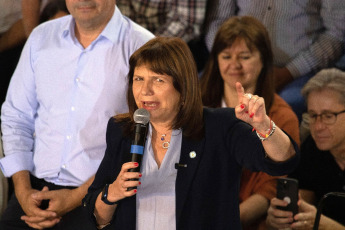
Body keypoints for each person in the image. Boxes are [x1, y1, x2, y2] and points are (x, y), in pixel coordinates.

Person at [82, 36, 300, 230]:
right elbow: (95, 216)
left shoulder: (218, 128)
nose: (144, 90)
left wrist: (264, 126)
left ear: (183, 87)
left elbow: (282, 161)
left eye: (158, 80)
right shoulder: (122, 131)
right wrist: (112, 193)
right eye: (139, 79)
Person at [0, 0, 154, 229]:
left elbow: (143, 136)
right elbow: (16, 116)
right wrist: (22, 191)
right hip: (32, 192)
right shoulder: (41, 37)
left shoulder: (142, 46)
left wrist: (77, 197)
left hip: (103, 196)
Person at [200, 16, 300, 230]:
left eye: (244, 56)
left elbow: (268, 191)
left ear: (263, 59)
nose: (234, 65)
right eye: (226, 56)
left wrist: (222, 223)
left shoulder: (282, 117)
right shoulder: (195, 105)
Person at [203, 0, 345, 121]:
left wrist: (291, 71)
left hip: (296, 71)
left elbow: (336, 35)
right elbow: (217, 20)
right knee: (195, 94)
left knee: (286, 107)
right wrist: (226, 57)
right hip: (237, 59)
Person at [266, 68, 345, 230]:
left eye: (328, 116)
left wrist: (327, 227)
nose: (318, 126)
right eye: (313, 115)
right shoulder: (313, 148)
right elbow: (302, 205)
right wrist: (279, 219)